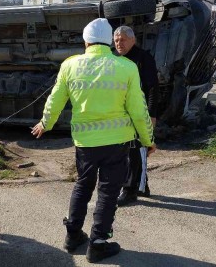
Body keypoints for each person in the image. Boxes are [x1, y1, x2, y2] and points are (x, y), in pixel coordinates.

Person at [31, 18, 155, 263]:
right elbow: (139, 110)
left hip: (85, 142)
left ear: (85, 41)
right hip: (117, 142)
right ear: (109, 41)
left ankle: (73, 235)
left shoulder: (70, 65)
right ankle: (98, 242)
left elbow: (55, 99)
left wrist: (45, 124)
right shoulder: (127, 66)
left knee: (83, 185)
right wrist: (147, 138)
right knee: (108, 191)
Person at [112, 26, 159, 206]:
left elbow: (153, 88)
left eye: (122, 40)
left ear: (133, 40)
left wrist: (152, 114)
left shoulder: (144, 59)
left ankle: (130, 190)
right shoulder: (113, 57)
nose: (119, 43)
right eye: (116, 40)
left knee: (135, 150)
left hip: (139, 113)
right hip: (119, 113)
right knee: (132, 150)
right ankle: (142, 184)